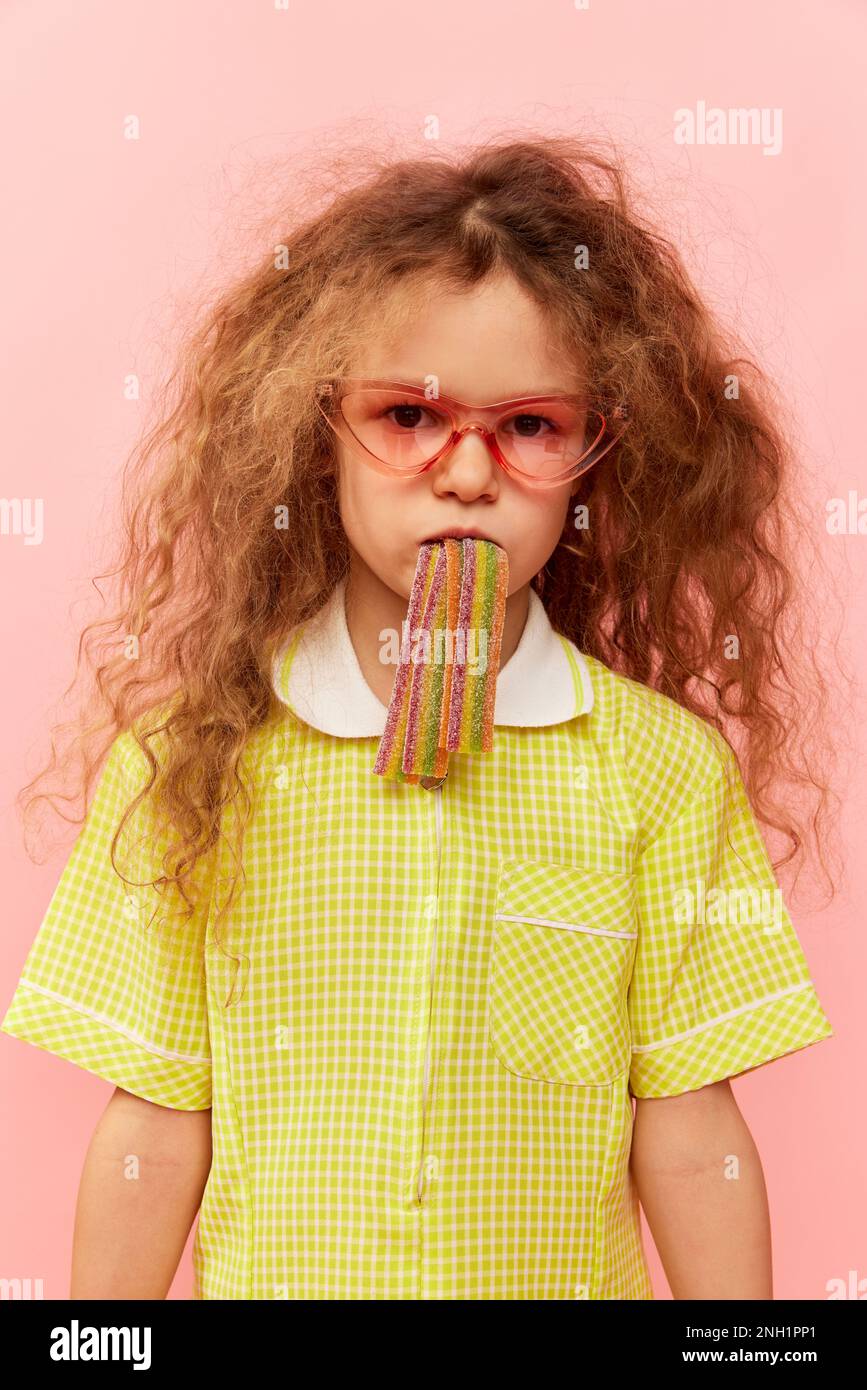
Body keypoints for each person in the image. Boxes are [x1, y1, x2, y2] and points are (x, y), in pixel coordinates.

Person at [1, 135, 836, 1300]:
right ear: (316, 433)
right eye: (408, 416)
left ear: (596, 457)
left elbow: (692, 1132)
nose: (465, 472)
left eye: (531, 426)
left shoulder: (661, 772)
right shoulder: (188, 767)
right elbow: (155, 1124)